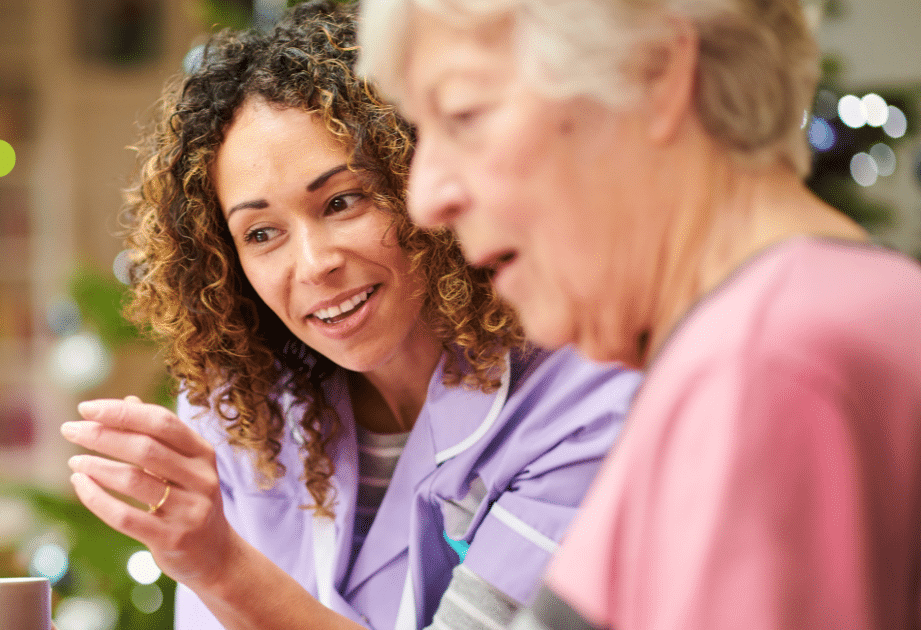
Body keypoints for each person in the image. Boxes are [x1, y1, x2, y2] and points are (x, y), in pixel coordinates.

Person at [59, 2, 640, 629]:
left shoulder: (579, 397)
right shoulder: (237, 411)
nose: (314, 264)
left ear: (416, 179)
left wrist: (220, 566)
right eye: (260, 234)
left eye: (342, 200)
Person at [357, 0, 921, 629]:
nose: (425, 198)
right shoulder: (798, 318)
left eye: (465, 114)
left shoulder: (764, 363)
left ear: (655, 71)